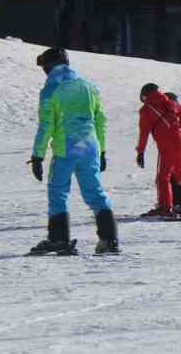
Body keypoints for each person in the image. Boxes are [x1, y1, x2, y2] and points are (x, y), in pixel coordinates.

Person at [28, 47, 120, 256]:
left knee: (58, 192)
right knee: (95, 192)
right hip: (90, 147)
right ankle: (109, 238)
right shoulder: (89, 87)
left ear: (50, 66)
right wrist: (102, 150)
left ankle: (59, 239)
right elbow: (100, 120)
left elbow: (46, 126)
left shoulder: (51, 90)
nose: (44, 70)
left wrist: (37, 155)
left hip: (65, 148)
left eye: (44, 66)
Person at [136, 83, 181, 216]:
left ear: (145, 96)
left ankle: (165, 208)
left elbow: (144, 133)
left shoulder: (146, 109)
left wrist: (141, 152)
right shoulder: (172, 103)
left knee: (163, 178)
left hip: (168, 144)